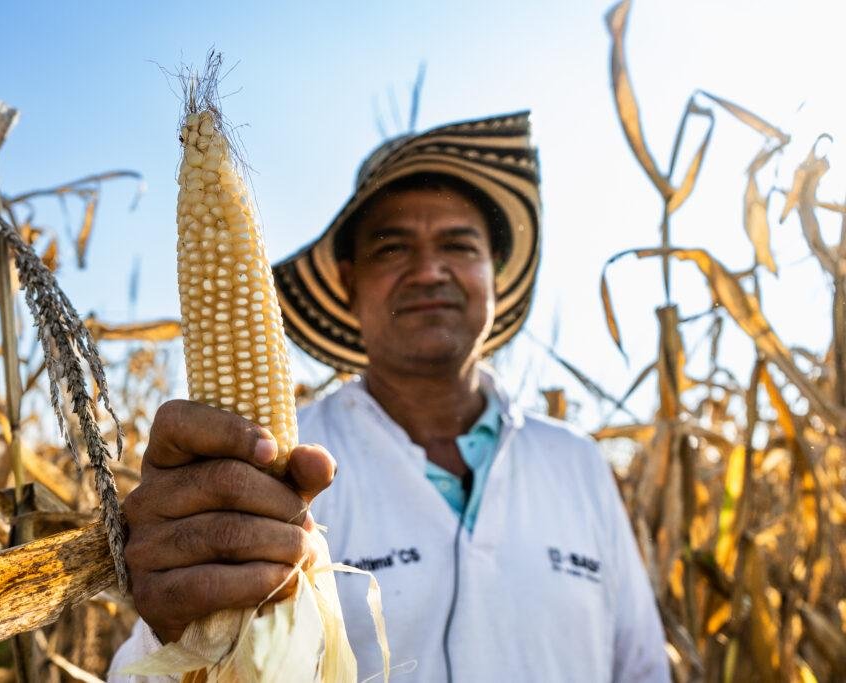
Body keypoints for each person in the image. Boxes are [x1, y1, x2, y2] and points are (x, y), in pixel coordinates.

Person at [110, 112, 670, 681]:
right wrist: (182, 630)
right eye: (393, 249)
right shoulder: (270, 464)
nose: (429, 271)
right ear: (350, 284)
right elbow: (150, 671)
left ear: (493, 275)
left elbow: (643, 667)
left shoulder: (577, 463)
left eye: (458, 244)